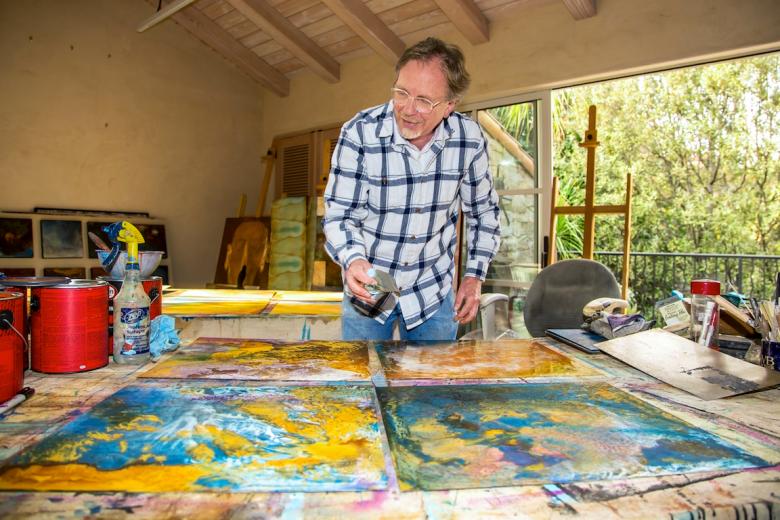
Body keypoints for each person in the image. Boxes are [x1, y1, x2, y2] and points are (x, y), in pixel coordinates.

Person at [322, 37, 501, 341]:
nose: (407, 109)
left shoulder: (468, 139)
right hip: (372, 284)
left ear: (449, 106)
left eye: (424, 100)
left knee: (429, 387)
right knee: (365, 383)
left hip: (431, 289)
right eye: (401, 92)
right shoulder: (359, 132)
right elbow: (339, 214)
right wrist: (353, 259)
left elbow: (484, 213)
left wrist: (474, 276)